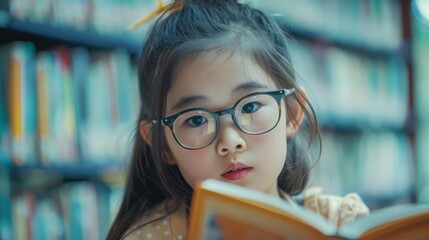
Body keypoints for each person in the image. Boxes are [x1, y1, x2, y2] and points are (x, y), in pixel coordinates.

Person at [107, 1, 369, 239]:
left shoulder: (340, 221)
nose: (230, 142)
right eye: (196, 120)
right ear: (163, 145)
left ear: (291, 113)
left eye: (251, 105)